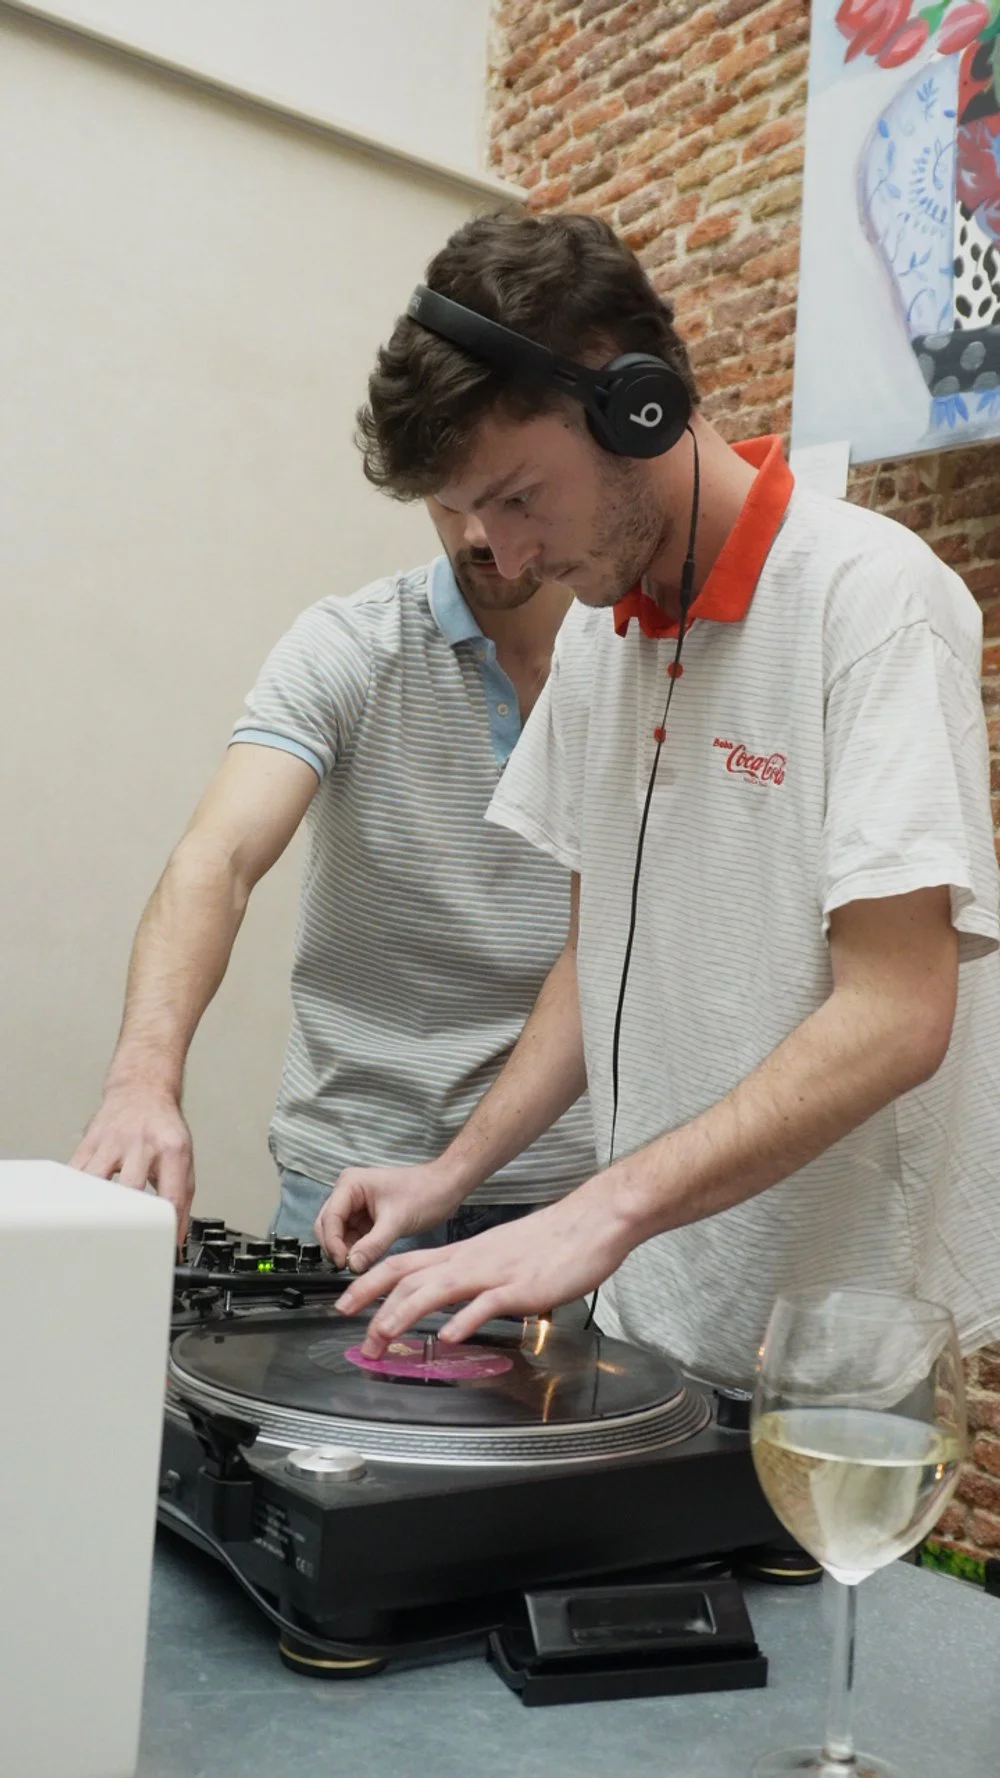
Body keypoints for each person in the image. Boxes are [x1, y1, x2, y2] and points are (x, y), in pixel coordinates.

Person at [322, 208, 1000, 1387]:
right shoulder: (601, 637)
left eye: (521, 498)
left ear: (636, 405)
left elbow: (898, 1007)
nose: (509, 559)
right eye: (475, 521)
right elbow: (598, 962)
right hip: (653, 1311)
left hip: (838, 1351)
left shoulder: (873, 599)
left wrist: (600, 1206)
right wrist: (455, 1172)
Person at [71, 495, 595, 1242]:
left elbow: (600, 947)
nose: (480, 535)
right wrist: (141, 1081)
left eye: (511, 499)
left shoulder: (627, 656)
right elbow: (217, 860)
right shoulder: (349, 642)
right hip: (349, 1181)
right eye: (452, 499)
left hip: (565, 1192)